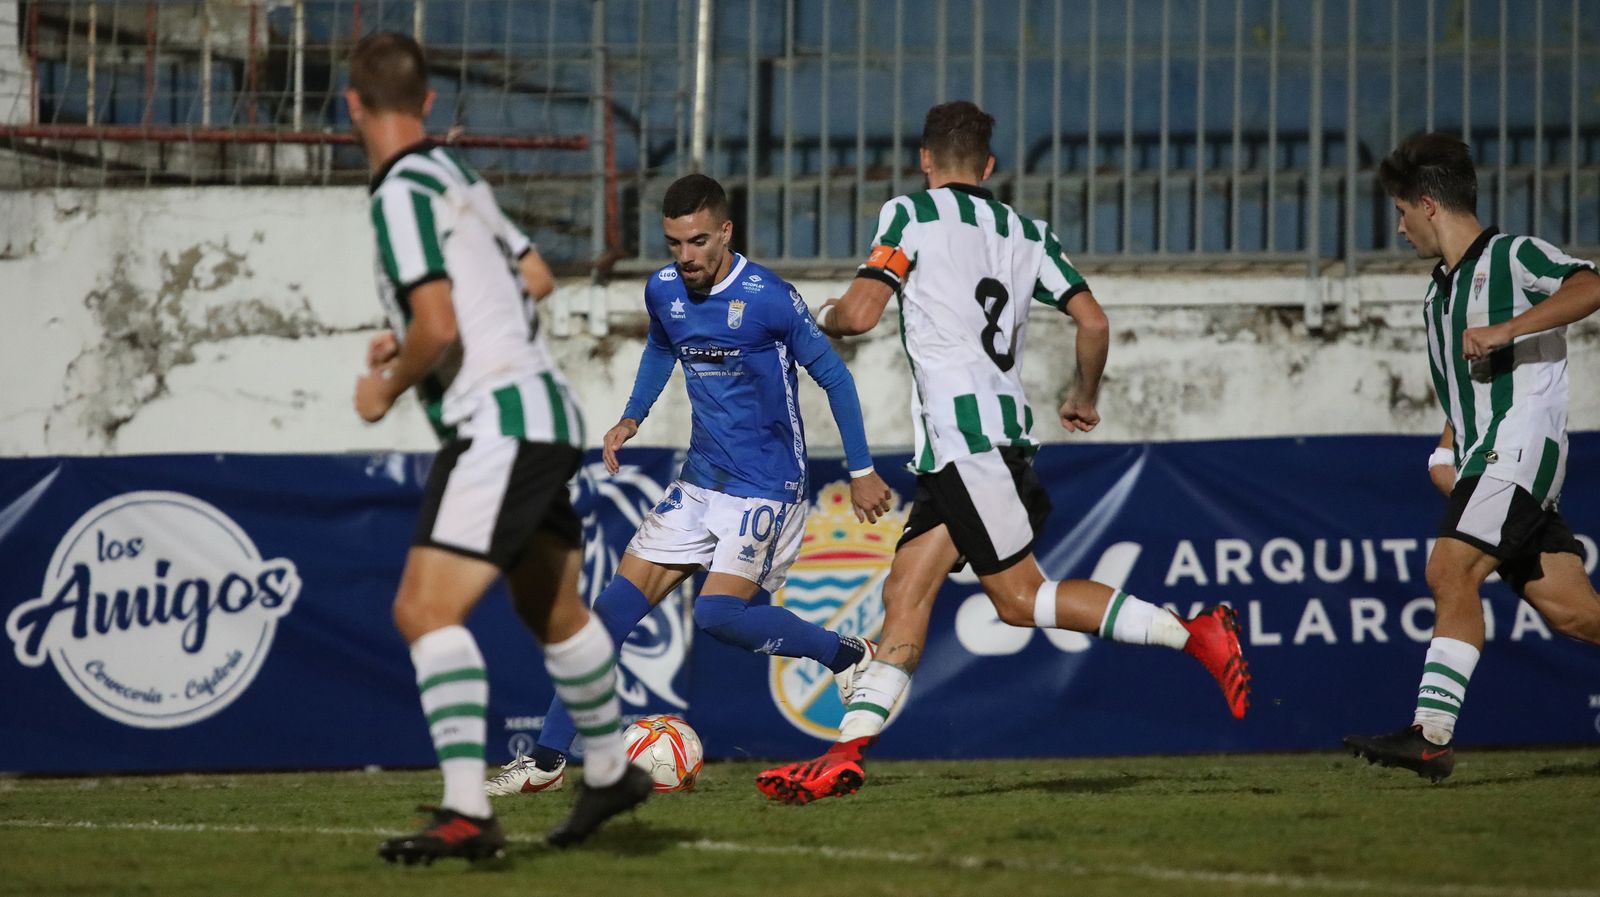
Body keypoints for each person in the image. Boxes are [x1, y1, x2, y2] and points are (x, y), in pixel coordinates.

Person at [754, 101, 1252, 805]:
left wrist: (825, 311)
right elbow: (1093, 319)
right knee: (906, 590)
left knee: (1020, 599)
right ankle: (844, 754)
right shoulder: (1026, 231)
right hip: (991, 439)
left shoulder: (911, 215)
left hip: (966, 445)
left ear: (925, 160)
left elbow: (861, 315)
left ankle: (1195, 633)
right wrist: (1083, 393)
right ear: (989, 167)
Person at [486, 173, 895, 795]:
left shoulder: (768, 297)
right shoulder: (664, 290)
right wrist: (631, 416)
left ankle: (845, 654)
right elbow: (660, 348)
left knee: (716, 614)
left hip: (766, 486)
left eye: (698, 241)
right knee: (605, 620)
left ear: (725, 232)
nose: (687, 257)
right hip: (699, 483)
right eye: (675, 243)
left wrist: (862, 471)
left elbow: (835, 380)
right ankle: (544, 763)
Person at [345, 32, 651, 862]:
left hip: (499, 423)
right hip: (546, 411)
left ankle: (466, 811)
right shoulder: (456, 175)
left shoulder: (399, 192)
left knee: (423, 609)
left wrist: (390, 381)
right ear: (430, 103)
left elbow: (441, 322)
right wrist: (415, 337)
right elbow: (536, 277)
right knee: (549, 608)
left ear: (352, 105)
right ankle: (609, 768)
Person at [1344, 132, 1600, 782]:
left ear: (1429, 204)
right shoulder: (1436, 295)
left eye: (1401, 212)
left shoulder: (1512, 257)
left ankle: (1430, 735)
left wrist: (1508, 328)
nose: (1398, 228)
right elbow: (1464, 399)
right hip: (1490, 455)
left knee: (1448, 568)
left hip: (1520, 450)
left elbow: (1590, 284)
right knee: (1571, 611)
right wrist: (1448, 450)